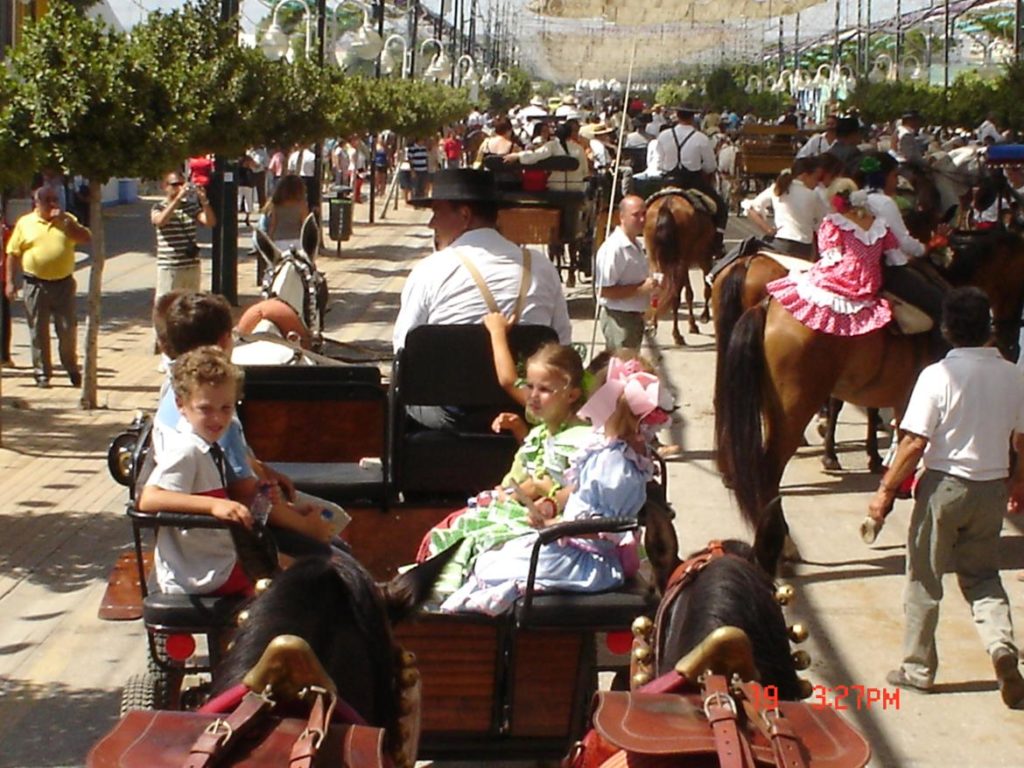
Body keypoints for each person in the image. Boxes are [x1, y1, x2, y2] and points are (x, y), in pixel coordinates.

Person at [865, 287, 1024, 709]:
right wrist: (1019, 483)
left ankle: (917, 669)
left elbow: (914, 442)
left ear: (948, 329)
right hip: (992, 488)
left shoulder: (937, 376)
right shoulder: (1013, 375)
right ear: (989, 328)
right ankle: (1001, 646)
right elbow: (1021, 440)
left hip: (944, 488)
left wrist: (884, 492)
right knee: (983, 577)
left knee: (924, 578)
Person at [439, 357, 666, 615]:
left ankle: (475, 622)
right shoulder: (610, 449)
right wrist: (550, 505)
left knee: (493, 568)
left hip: (590, 560)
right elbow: (582, 492)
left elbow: (605, 528)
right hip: (575, 545)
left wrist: (555, 527)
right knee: (493, 556)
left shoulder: (616, 463)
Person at [154, 292, 339, 557]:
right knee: (336, 555)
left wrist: (263, 470)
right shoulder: (219, 422)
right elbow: (245, 494)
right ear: (224, 340)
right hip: (225, 537)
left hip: (188, 535)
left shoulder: (174, 394)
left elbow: (238, 468)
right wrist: (307, 526)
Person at [417, 326, 593, 596]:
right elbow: (531, 468)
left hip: (551, 522)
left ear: (572, 395)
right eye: (530, 386)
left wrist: (535, 492)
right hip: (521, 507)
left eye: (544, 389)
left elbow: (571, 488)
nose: (533, 395)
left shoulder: (579, 439)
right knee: (452, 527)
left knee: (473, 539)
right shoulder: (542, 431)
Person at [393, 168, 571, 353]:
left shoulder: (430, 270)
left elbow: (404, 347)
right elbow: (563, 344)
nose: (431, 224)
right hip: (527, 371)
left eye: (437, 213)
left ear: (465, 215)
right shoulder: (542, 267)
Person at [138, 345, 254, 596]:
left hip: (213, 562)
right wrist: (213, 506)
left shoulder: (208, 447)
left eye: (226, 408)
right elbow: (149, 498)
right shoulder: (187, 449)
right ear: (181, 404)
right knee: (295, 578)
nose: (217, 419)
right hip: (202, 573)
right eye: (205, 409)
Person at [766, 179, 903, 337]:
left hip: (843, 277)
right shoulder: (880, 224)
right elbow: (895, 258)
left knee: (799, 282)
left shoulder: (834, 222)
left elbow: (830, 258)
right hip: (869, 282)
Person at [5, 186, 90, 388]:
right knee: (38, 330)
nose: (53, 204)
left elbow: (85, 238)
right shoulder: (25, 223)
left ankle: (71, 366)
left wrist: (67, 223)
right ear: (37, 203)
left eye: (55, 199)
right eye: (48, 201)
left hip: (63, 284)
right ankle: (42, 372)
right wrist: (10, 282)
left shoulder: (67, 220)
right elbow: (12, 254)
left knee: (68, 329)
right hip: (35, 284)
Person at [654, 105, 728, 250]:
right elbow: (710, 166)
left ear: (677, 115)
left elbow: (659, 163)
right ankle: (717, 243)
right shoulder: (701, 138)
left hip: (669, 180)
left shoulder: (663, 136)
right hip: (693, 182)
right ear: (693, 117)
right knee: (721, 207)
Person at [151, 171, 216, 324]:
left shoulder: (190, 207)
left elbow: (210, 222)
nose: (179, 188)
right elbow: (160, 221)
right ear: (165, 187)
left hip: (191, 265)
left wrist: (204, 201)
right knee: (166, 306)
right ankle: (161, 335)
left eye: (182, 184)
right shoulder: (158, 207)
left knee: (190, 307)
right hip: (170, 267)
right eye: (175, 185)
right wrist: (177, 200)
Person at [596, 195, 655, 350]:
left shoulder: (635, 245)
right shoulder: (615, 248)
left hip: (633, 318)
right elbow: (603, 290)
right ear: (622, 217)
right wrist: (641, 289)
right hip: (619, 320)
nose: (642, 219)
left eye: (644, 214)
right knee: (622, 362)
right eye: (636, 215)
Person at [743, 156, 826, 260]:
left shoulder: (778, 188)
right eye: (817, 178)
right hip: (803, 248)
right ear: (804, 176)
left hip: (780, 244)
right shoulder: (814, 195)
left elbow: (750, 209)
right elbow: (820, 224)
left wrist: (768, 230)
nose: (817, 183)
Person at [260, 174, 309, 251]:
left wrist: (269, 241)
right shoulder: (302, 205)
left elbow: (273, 225)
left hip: (279, 240)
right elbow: (305, 225)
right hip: (297, 240)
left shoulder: (276, 205)